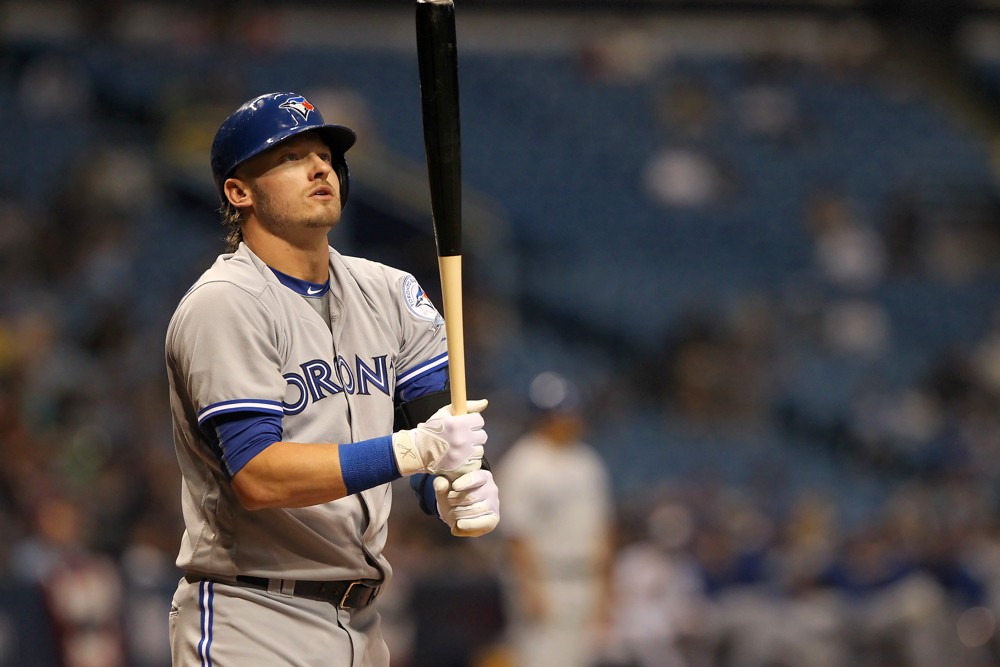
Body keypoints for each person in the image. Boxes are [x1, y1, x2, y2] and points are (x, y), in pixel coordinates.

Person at [164, 91, 500, 666]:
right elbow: (259, 477)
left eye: (325, 154)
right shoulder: (226, 303)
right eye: (291, 157)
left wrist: (449, 488)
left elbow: (432, 426)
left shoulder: (390, 292)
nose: (321, 167)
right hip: (254, 616)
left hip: (363, 623)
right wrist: (416, 452)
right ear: (238, 191)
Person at [495, 372, 616, 667]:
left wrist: (605, 590)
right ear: (544, 416)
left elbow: (603, 530)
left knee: (581, 659)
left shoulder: (587, 462)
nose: (569, 418)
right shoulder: (523, 463)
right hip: (544, 579)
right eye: (561, 413)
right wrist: (529, 589)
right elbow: (516, 536)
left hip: (585, 579)